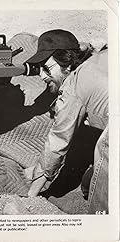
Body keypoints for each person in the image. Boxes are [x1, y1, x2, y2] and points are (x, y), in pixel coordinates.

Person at [22, 29, 108, 213]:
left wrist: (30, 198)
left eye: (47, 68)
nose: (42, 76)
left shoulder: (73, 88)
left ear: (67, 65)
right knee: (89, 178)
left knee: (97, 192)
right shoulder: (102, 56)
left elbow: (57, 142)